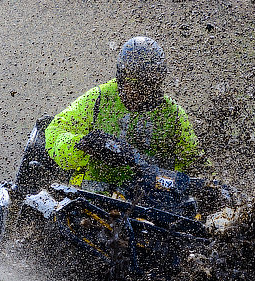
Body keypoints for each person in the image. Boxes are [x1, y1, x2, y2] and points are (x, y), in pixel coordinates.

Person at [45, 36, 203, 187]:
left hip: (149, 205)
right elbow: (55, 133)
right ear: (121, 76)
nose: (141, 91)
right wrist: (82, 144)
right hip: (91, 196)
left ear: (159, 81)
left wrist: (210, 186)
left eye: (148, 83)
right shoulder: (99, 98)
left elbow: (196, 164)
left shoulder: (173, 114)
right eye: (134, 83)